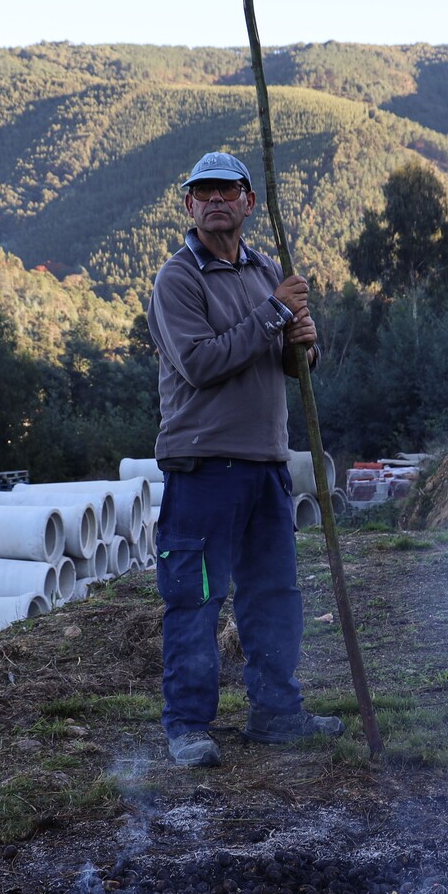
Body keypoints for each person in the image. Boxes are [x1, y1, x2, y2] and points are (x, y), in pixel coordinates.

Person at [147, 152, 348, 767]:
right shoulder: (177, 279)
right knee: (196, 598)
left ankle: (277, 714)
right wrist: (277, 312)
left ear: (249, 202)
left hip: (268, 465)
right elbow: (201, 363)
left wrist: (305, 347)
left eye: (227, 191)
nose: (215, 201)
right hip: (204, 466)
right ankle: (187, 727)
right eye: (202, 192)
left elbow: (288, 365)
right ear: (188, 206)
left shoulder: (267, 271)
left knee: (273, 595)